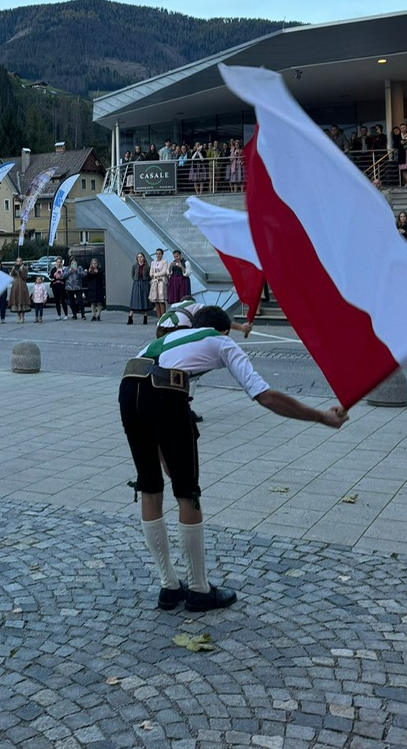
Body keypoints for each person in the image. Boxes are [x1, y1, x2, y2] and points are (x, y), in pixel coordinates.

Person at [119, 305, 348, 612]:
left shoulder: (167, 340)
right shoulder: (221, 341)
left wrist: (163, 454)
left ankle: (169, 587)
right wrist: (320, 416)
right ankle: (199, 590)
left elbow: (144, 386)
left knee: (150, 487)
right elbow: (264, 396)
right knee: (187, 493)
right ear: (224, 330)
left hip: (128, 385)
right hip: (165, 393)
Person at [128, 251, 150, 325]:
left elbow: (149, 275)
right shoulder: (134, 266)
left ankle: (145, 318)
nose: (140, 258)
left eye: (141, 257)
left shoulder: (147, 266)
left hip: (145, 284)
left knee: (145, 300)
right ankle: (130, 318)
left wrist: (146, 280)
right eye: (138, 257)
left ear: (143, 258)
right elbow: (132, 275)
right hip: (137, 284)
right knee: (135, 300)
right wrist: (136, 280)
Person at [148, 248, 170, 319]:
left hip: (161, 282)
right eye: (157, 254)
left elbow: (164, 272)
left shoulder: (164, 262)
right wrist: (154, 275)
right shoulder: (153, 262)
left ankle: (163, 318)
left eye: (159, 254)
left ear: (162, 254)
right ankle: (159, 318)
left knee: (161, 301)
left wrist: (155, 275)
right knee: (156, 301)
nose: (158, 255)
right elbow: (151, 273)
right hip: (155, 283)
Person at [8, 257, 30, 323]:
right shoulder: (14, 267)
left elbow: (24, 277)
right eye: (17, 261)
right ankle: (18, 317)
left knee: (22, 301)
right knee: (16, 300)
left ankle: (22, 317)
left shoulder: (25, 268)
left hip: (22, 285)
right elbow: (12, 275)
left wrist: (20, 271)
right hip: (16, 285)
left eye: (20, 261)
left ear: (22, 262)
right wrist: (13, 270)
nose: (19, 262)